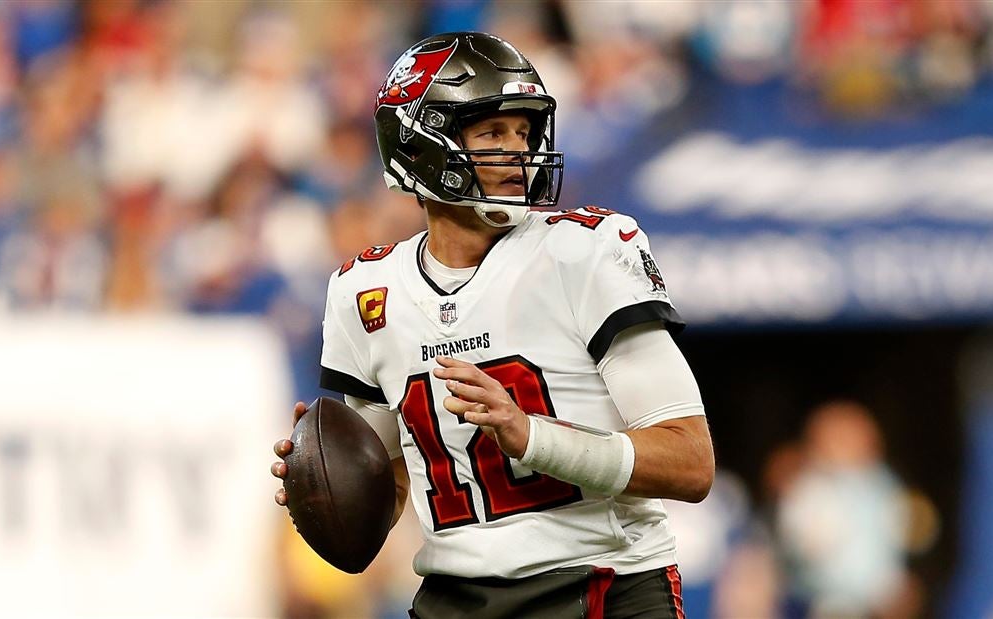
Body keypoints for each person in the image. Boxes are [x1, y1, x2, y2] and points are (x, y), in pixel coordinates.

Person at [270, 32, 714, 619]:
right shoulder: (363, 291)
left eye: (524, 132)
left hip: (602, 584)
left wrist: (531, 435)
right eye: (493, 132)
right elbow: (392, 490)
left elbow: (691, 462)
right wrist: (326, 482)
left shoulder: (584, 252)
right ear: (421, 142)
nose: (519, 151)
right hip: (456, 600)